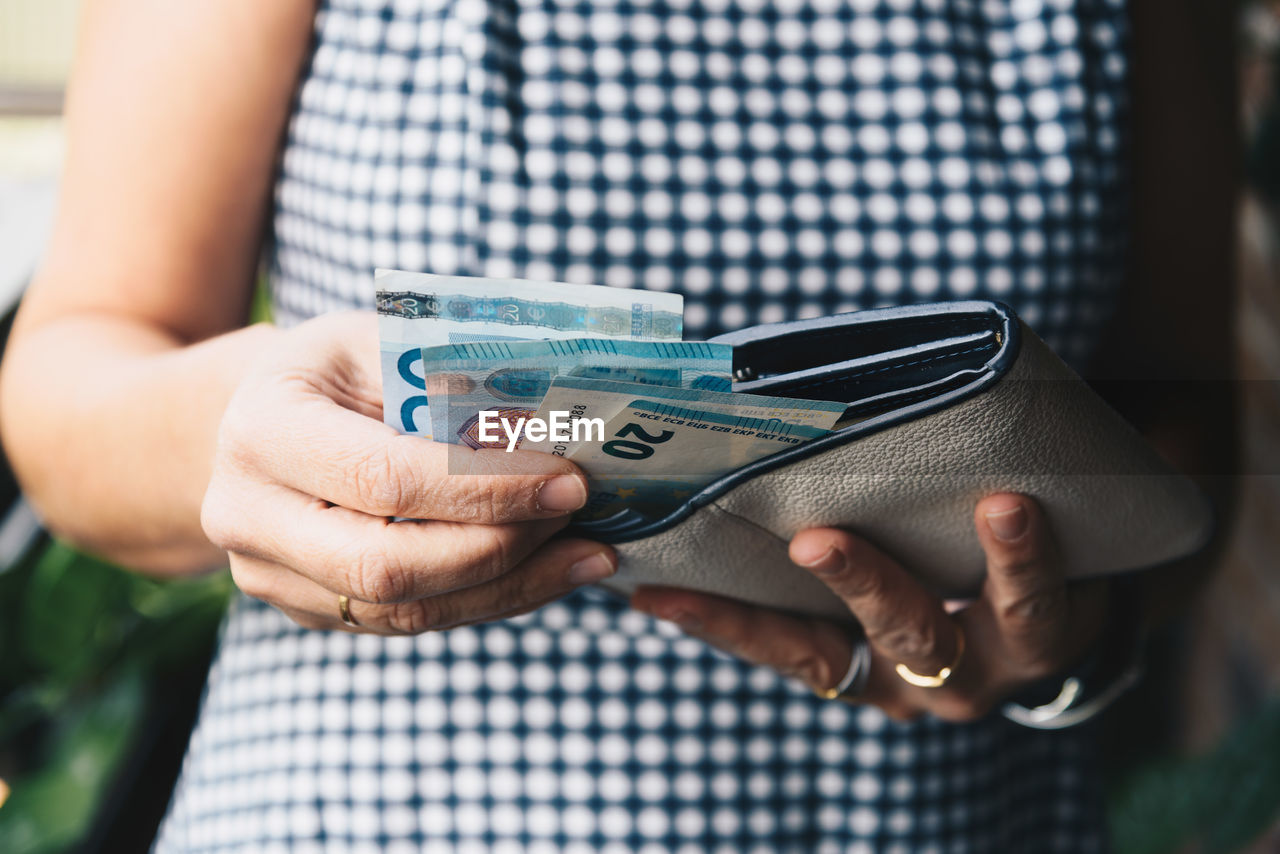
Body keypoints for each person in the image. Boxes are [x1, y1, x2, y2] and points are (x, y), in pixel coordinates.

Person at [0, 0, 1235, 850]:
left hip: (954, 818)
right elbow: (73, 380)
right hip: (389, 812)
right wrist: (246, 433)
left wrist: (1077, 628)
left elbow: (1184, 433)